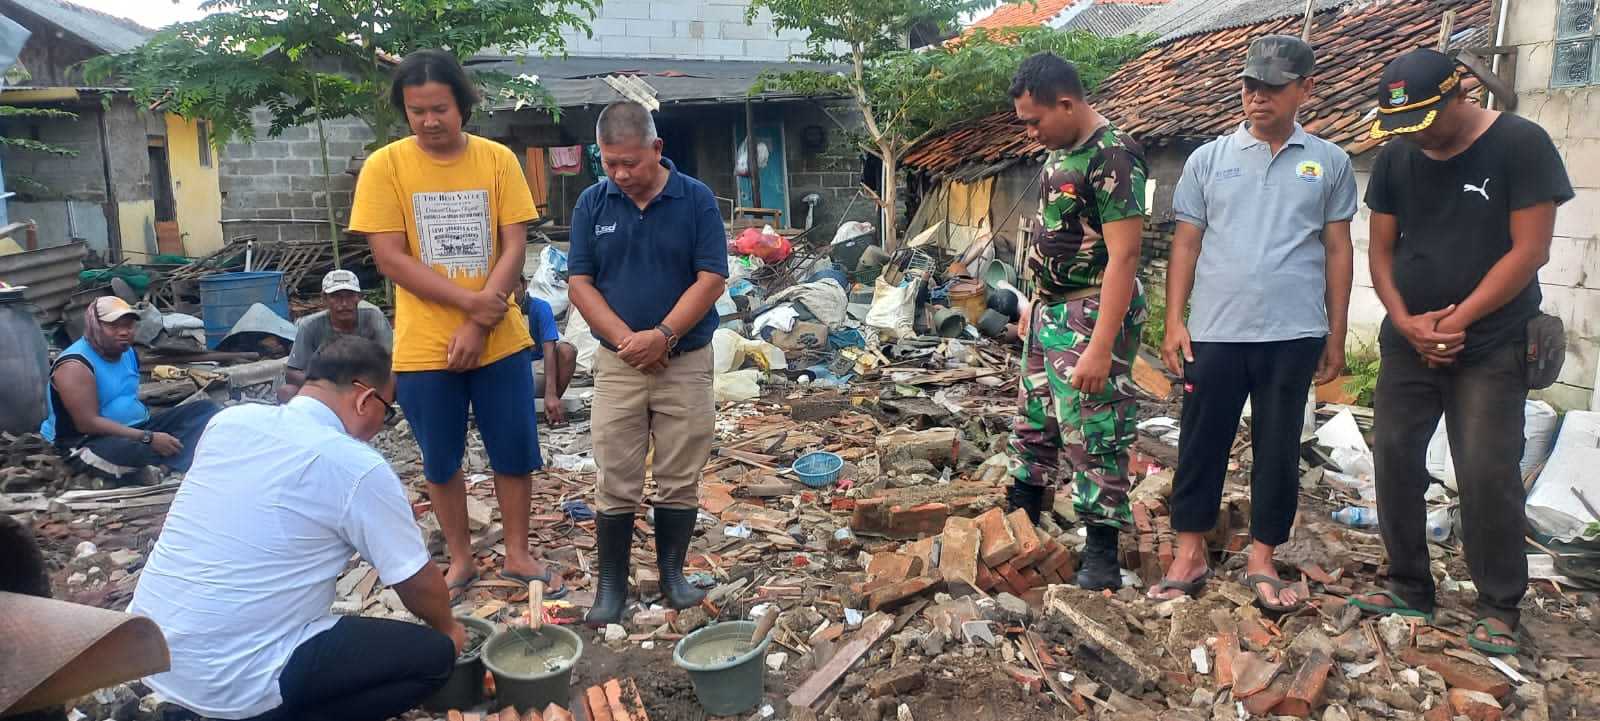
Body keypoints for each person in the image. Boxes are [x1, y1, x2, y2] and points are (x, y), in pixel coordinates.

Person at [1349, 49, 1571, 656]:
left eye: (1423, 120)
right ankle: (1408, 584)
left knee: (1485, 469)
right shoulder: (1398, 155)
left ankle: (1499, 604)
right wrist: (1405, 320)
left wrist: (1458, 322)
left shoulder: (1521, 145)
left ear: (1459, 96)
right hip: (1409, 337)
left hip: (1494, 341)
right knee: (1393, 454)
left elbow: (1531, 251)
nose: (1412, 136)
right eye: (1402, 125)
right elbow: (1381, 251)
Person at [127, 336, 464, 721]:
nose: (380, 426)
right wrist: (449, 630)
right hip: (236, 683)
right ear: (363, 399)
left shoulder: (228, 421)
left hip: (154, 653)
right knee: (433, 657)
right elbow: (415, 581)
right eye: (386, 411)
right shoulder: (355, 465)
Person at [1151, 35, 1357, 611]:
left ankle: (1263, 557)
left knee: (1277, 447)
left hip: (1293, 335)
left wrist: (1335, 334)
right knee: (1200, 442)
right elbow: (1186, 245)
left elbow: (1338, 251)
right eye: (1249, 86)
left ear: (1305, 90)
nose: (1257, 97)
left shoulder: (1331, 163)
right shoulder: (1209, 160)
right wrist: (1174, 321)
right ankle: (1188, 552)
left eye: (1272, 87)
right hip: (1215, 331)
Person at [350, 49, 564, 603]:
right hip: (425, 345)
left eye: (439, 108)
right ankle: (462, 557)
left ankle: (517, 551)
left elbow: (515, 242)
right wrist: (473, 308)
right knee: (440, 457)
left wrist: (483, 318)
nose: (429, 121)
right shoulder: (386, 166)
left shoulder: (496, 160)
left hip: (500, 339)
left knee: (513, 449)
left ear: (463, 105)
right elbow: (390, 258)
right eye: (416, 110)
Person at [568, 101, 728, 627]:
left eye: (629, 163)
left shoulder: (696, 200)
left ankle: (672, 576)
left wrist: (663, 335)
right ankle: (611, 587)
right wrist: (625, 341)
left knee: (679, 473)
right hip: (619, 364)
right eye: (609, 162)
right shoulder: (593, 204)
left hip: (684, 361)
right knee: (616, 473)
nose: (619, 174)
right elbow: (579, 283)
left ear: (657, 149)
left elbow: (710, 278)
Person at [1004, 53, 1148, 591]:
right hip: (1051, 311)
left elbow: (1125, 257)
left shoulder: (1113, 156)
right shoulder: (1064, 151)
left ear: (1067, 103)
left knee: (1095, 430)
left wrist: (1101, 345)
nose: (1031, 132)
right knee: (1034, 419)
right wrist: (1034, 309)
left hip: (1092, 311)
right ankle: (1022, 522)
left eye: (1035, 120)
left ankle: (1102, 554)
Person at [40, 297, 222, 484]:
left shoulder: (127, 353)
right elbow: (88, 423)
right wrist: (148, 438)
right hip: (86, 441)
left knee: (206, 412)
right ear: (95, 327)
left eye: (128, 326)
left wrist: (147, 435)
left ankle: (164, 467)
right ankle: (173, 463)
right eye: (114, 327)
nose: (124, 332)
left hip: (136, 428)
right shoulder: (75, 365)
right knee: (128, 451)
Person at [278, 269, 394, 402]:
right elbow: (292, 373)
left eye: (350, 296)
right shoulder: (309, 325)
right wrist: (329, 386)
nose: (344, 304)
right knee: (287, 392)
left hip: (365, 384)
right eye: (336, 296)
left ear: (359, 297)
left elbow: (391, 359)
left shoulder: (373, 317)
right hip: (327, 387)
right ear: (324, 299)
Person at [518, 274, 577, 426]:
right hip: (511, 370)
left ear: (524, 285)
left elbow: (549, 349)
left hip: (536, 368)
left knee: (567, 351)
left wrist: (551, 393)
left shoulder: (539, 308)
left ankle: (551, 406)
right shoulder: (498, 310)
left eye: (514, 285)